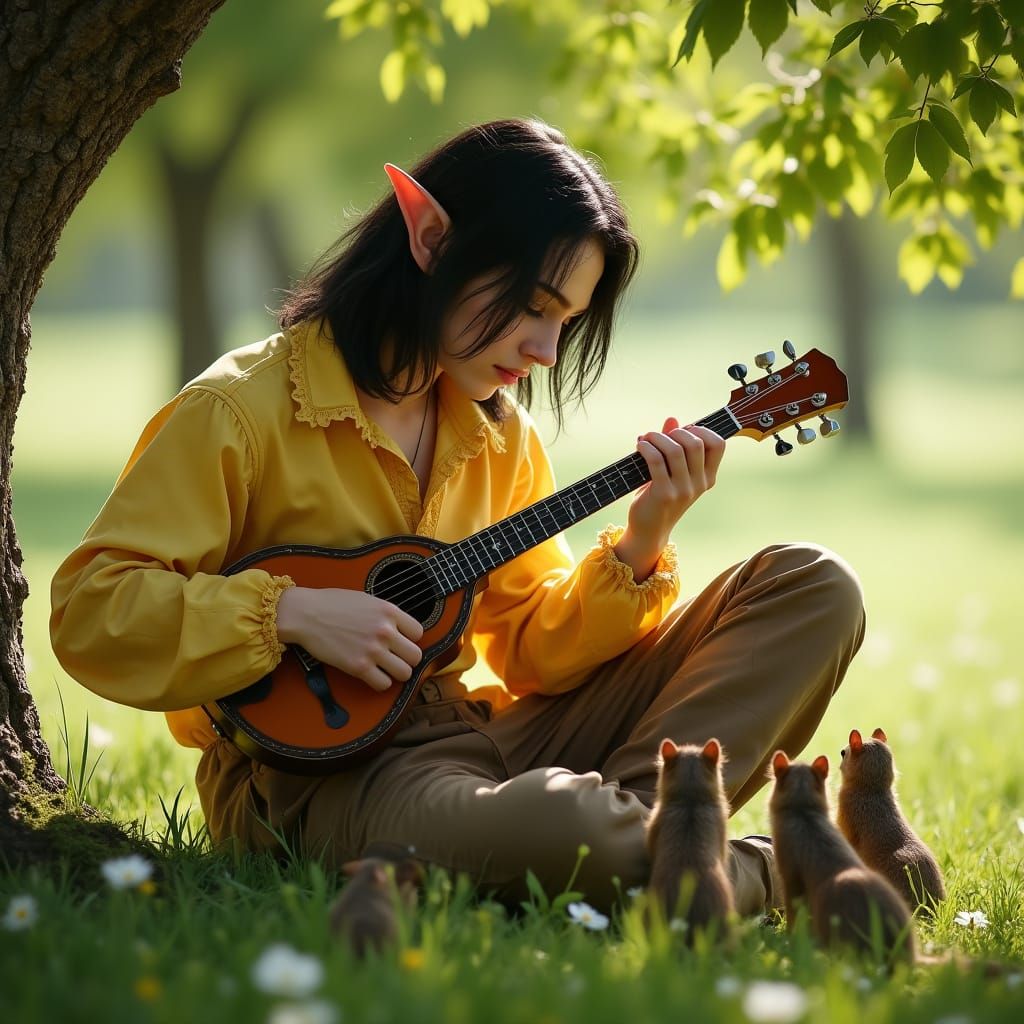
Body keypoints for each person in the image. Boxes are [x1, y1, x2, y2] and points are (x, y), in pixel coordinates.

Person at [50, 118, 864, 914]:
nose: (546, 350)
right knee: (577, 828)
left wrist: (646, 538)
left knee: (813, 584)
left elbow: (530, 652)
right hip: (325, 779)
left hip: (481, 737)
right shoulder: (238, 411)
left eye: (566, 321)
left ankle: (645, 853)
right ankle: (757, 867)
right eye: (533, 305)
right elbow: (94, 608)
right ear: (432, 237)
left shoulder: (498, 433)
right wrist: (292, 613)